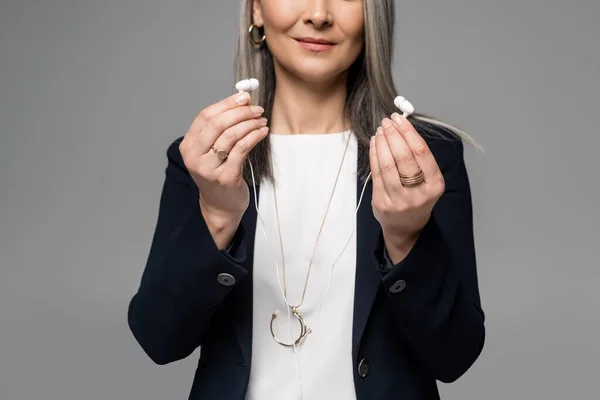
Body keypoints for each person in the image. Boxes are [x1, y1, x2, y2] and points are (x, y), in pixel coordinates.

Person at [127, 0, 485, 399]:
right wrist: (215, 215)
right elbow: (158, 339)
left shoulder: (423, 160)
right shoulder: (208, 159)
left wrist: (407, 238)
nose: (318, 13)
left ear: (373, 15)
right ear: (257, 10)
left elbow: (455, 356)